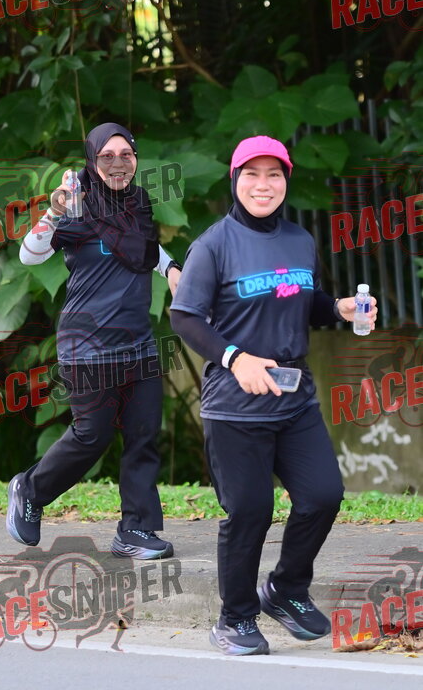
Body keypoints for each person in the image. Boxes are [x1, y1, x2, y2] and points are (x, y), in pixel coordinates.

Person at [170, 135, 378, 655]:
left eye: (274, 175)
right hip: (235, 402)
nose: (263, 185)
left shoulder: (299, 239)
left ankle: (285, 589)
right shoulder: (213, 245)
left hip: (294, 396)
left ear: (286, 181)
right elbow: (185, 317)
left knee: (323, 496)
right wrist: (235, 358)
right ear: (235, 180)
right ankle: (235, 618)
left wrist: (339, 309)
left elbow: (302, 300)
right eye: (252, 174)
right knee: (250, 511)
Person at [6, 122, 182, 560]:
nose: (118, 163)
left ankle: (136, 530)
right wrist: (54, 211)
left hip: (139, 342)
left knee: (143, 436)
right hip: (88, 345)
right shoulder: (76, 205)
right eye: (107, 156)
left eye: (126, 155)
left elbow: (146, 248)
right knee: (91, 436)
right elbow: (30, 254)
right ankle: (30, 490)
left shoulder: (138, 201)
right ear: (92, 159)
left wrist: (172, 269)